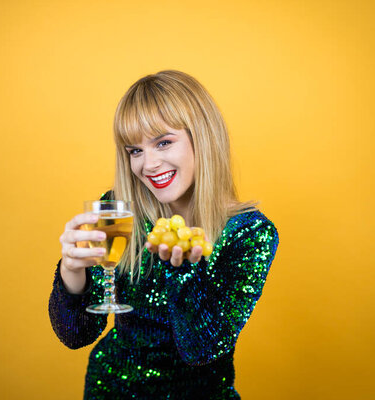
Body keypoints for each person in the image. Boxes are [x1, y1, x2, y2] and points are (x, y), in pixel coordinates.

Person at [49, 70, 279, 399]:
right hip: (111, 391)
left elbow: (202, 350)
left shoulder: (248, 233)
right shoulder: (119, 211)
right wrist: (72, 271)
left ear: (202, 136)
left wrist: (182, 269)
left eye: (164, 143)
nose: (149, 164)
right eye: (135, 151)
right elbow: (76, 335)